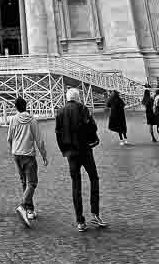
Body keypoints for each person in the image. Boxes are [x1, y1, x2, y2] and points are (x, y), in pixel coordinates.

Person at [55, 88, 107, 232]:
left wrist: (63, 150)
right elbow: (92, 127)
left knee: (75, 184)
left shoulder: (60, 111)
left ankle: (80, 220)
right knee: (94, 178)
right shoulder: (83, 108)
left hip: (71, 153)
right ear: (78, 98)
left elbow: (58, 133)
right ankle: (95, 213)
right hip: (85, 150)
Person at [7, 96, 48, 227]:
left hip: (16, 154)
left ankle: (30, 210)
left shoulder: (13, 119)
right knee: (33, 182)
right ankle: (23, 205)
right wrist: (44, 155)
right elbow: (39, 140)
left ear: (16, 107)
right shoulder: (32, 120)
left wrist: (13, 149)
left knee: (24, 181)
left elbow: (9, 138)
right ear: (26, 106)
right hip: (28, 155)